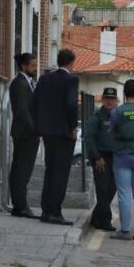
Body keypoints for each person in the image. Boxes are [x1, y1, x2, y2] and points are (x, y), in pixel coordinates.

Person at [31, 49, 79, 226]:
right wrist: (73, 126)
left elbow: (34, 103)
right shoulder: (71, 80)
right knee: (61, 173)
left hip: (48, 132)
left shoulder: (44, 79)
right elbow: (71, 104)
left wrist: (40, 125)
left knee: (50, 170)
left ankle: (46, 210)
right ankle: (55, 211)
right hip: (64, 133)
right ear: (71, 63)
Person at [108, 79, 134, 240]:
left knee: (124, 194)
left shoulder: (117, 112)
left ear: (125, 93)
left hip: (122, 158)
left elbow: (111, 133)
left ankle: (125, 230)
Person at [8, 53, 40, 218]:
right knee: (21, 169)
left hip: (29, 133)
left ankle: (21, 204)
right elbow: (22, 111)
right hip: (24, 133)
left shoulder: (29, 82)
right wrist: (34, 128)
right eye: (33, 66)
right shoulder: (19, 84)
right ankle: (20, 206)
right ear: (23, 66)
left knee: (25, 169)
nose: (35, 69)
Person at [84, 88, 119, 232]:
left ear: (116, 100)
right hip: (101, 157)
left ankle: (96, 218)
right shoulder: (97, 117)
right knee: (103, 189)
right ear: (103, 100)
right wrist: (97, 157)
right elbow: (89, 138)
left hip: (115, 157)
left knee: (112, 189)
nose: (110, 101)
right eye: (107, 98)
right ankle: (105, 220)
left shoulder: (119, 115)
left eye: (112, 98)